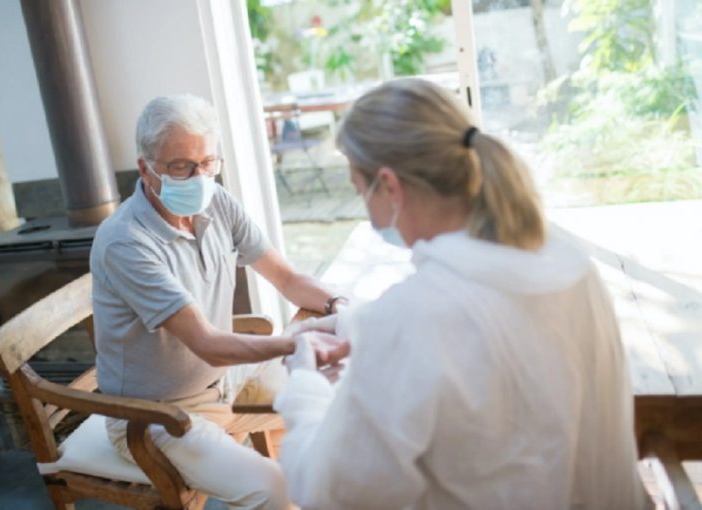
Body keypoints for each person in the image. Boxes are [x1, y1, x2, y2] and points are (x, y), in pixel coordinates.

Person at [274, 78, 651, 509]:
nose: (365, 207)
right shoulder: (566, 261)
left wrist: (305, 385)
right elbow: (492, 331)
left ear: (390, 186)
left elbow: (332, 493)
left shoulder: (415, 318)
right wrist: (355, 325)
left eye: (361, 191)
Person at [90, 94, 347, 510]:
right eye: (181, 167)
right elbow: (208, 342)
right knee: (273, 490)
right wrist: (300, 340)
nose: (199, 177)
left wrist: (339, 307)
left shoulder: (215, 202)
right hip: (155, 417)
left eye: (208, 162)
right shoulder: (125, 241)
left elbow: (286, 277)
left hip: (222, 379)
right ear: (146, 168)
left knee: (344, 394)